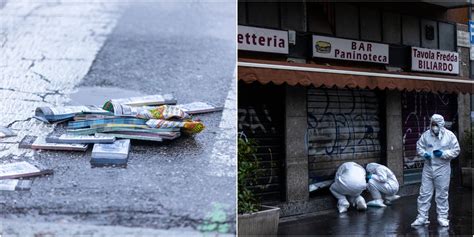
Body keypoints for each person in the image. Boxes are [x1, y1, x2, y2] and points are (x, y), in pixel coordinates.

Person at [411, 114, 460, 227]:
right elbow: (419, 146)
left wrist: (444, 154)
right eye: (432, 124)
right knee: (424, 193)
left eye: (436, 124)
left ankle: (442, 217)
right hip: (428, 167)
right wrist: (424, 154)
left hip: (443, 168)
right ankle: (422, 217)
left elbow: (456, 150)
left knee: (442, 194)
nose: (434, 127)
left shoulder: (449, 136)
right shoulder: (426, 135)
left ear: (441, 124)